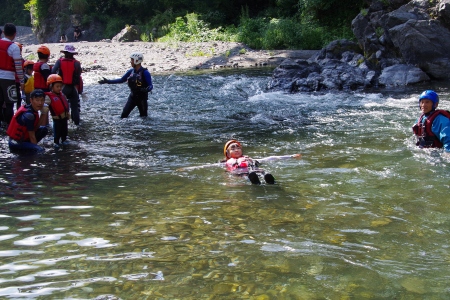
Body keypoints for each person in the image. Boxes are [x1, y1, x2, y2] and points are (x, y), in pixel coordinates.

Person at [98, 52, 153, 118]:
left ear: (136, 60)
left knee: (144, 118)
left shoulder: (145, 72)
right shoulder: (131, 71)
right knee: (123, 116)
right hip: (132, 98)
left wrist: (147, 89)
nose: (131, 62)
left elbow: (150, 85)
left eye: (132, 60)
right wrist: (107, 81)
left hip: (142, 99)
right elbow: (121, 80)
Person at [7, 89, 49, 154]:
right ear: (31, 100)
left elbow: (35, 128)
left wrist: (43, 113)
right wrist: (35, 147)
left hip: (24, 138)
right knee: (40, 150)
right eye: (37, 100)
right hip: (16, 142)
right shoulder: (29, 115)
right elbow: (32, 136)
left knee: (44, 129)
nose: (40, 103)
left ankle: (28, 148)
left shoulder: (33, 110)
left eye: (42, 100)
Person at [0, 23, 24, 127]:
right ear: (15, 34)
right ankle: (9, 127)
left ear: (3, 33)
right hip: (9, 79)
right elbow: (18, 67)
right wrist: (22, 81)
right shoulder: (14, 47)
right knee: (10, 103)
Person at [52, 44, 82, 125]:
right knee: (75, 108)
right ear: (73, 54)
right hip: (73, 88)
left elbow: (53, 72)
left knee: (62, 107)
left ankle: (63, 125)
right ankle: (77, 126)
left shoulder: (59, 61)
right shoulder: (77, 63)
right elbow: (78, 75)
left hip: (63, 88)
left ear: (64, 53)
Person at [45, 74, 70, 148]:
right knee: (57, 131)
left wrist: (68, 113)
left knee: (64, 130)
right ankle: (56, 142)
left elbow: (65, 103)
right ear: (51, 87)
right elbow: (45, 105)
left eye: (60, 86)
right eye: (57, 86)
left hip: (64, 117)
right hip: (57, 119)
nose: (59, 88)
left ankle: (64, 140)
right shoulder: (49, 97)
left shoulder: (62, 95)